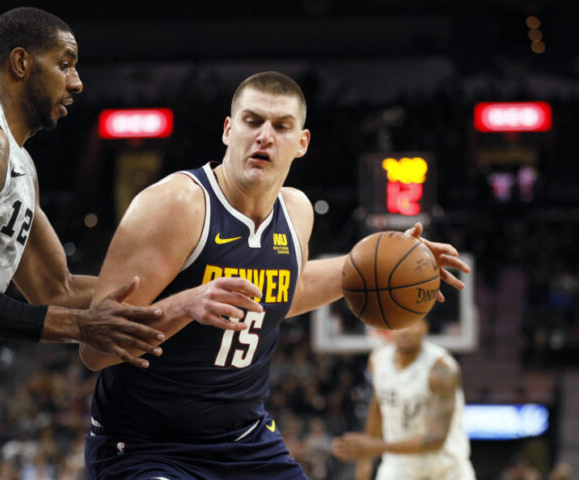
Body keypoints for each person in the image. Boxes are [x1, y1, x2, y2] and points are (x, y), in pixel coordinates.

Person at [0, 7, 259, 480]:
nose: (78, 82)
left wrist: (193, 286)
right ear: (21, 63)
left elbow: (56, 288)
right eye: (65, 64)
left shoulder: (18, 166)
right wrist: (83, 326)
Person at [79, 71, 472, 479]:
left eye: (282, 126)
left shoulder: (296, 210)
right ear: (228, 131)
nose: (265, 135)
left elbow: (290, 290)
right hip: (147, 445)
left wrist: (388, 261)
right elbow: (96, 351)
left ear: (301, 143)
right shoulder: (175, 205)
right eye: (253, 122)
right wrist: (185, 303)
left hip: (244, 441)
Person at [331, 317, 476, 480]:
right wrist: (365, 460)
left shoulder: (443, 369)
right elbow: (378, 408)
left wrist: (372, 447)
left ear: (425, 328)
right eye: (399, 324)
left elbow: (436, 439)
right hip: (399, 468)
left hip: (445, 470)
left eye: (412, 323)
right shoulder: (378, 360)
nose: (405, 331)